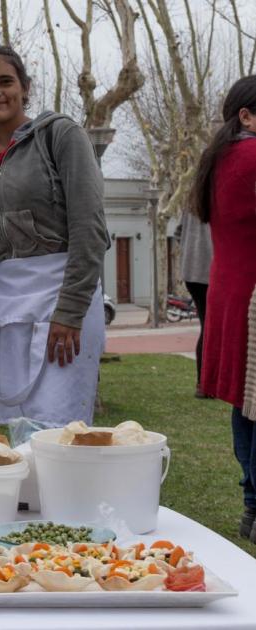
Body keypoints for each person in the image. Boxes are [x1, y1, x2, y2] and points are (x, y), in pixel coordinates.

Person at [0, 45, 108, 426]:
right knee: (14, 429)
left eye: (5, 81)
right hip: (7, 307)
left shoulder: (60, 135)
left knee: (58, 432)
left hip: (61, 304)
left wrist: (70, 312)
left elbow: (90, 230)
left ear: (25, 88)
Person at [190, 75, 256, 541]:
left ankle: (252, 505)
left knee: (246, 402)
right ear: (247, 115)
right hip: (253, 295)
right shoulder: (252, 156)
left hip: (233, 290)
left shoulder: (220, 159)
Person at [177, 209, 212, 397]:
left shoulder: (191, 201)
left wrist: (188, 253)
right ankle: (204, 384)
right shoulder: (215, 198)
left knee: (206, 326)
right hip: (208, 271)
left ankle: (204, 383)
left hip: (191, 272)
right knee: (209, 327)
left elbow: (178, 232)